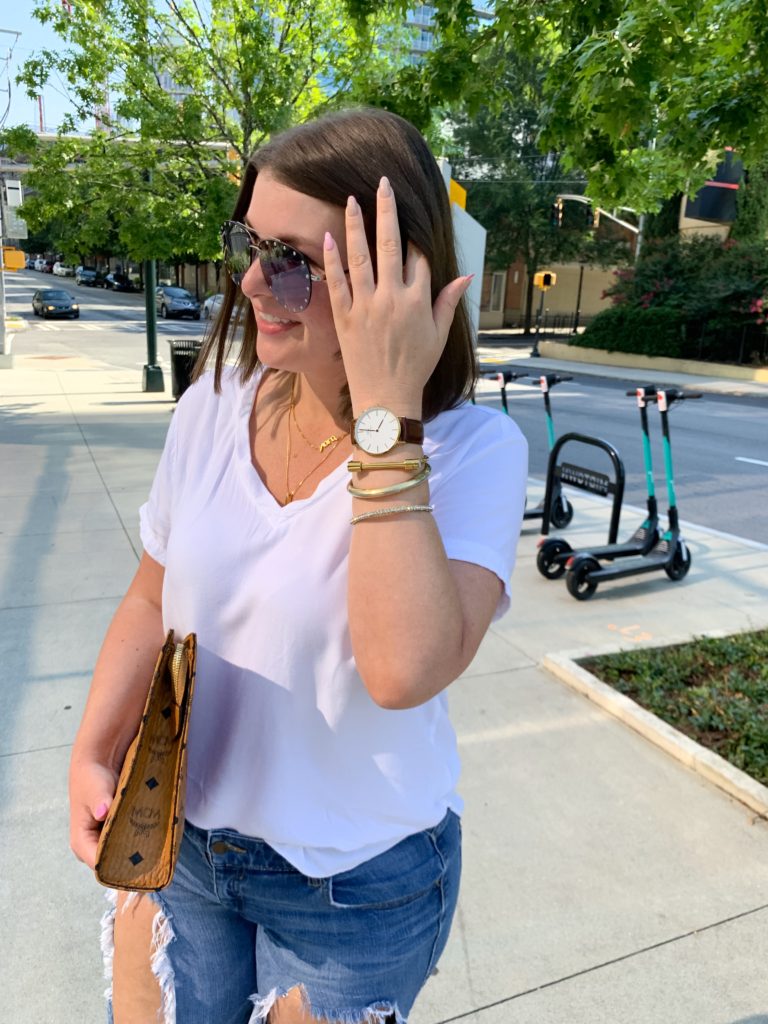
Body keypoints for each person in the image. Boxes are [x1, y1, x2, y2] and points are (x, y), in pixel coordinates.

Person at [69, 107, 527, 1024]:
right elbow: (152, 593)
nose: (249, 281)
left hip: (354, 889)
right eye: (249, 242)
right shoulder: (215, 400)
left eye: (290, 262)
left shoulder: (475, 451)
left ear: (396, 281)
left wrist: (388, 406)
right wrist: (93, 746)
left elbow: (402, 669)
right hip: (184, 844)